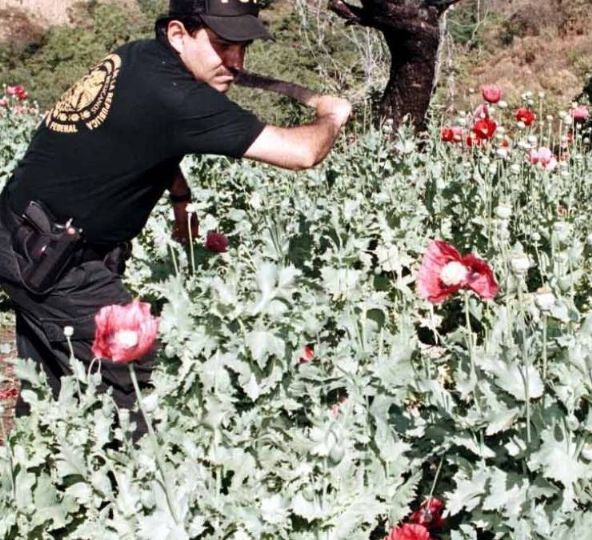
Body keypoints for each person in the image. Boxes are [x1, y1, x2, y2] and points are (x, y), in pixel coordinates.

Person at [0, 0, 352, 440]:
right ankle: (141, 491)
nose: (235, 61)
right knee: (139, 374)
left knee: (55, 389)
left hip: (26, 235)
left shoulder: (138, 58)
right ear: (178, 35)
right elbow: (302, 153)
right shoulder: (178, 96)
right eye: (223, 44)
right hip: (52, 260)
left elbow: (147, 139)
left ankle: (38, 483)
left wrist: (181, 202)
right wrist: (331, 117)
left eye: (242, 47)